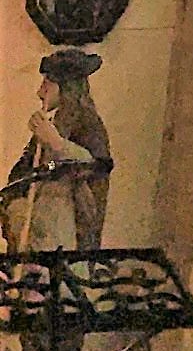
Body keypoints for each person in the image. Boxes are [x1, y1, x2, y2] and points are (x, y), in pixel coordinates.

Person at [2, 47, 113, 252]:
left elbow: (93, 171)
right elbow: (23, 174)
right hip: (38, 234)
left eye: (47, 84)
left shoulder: (89, 127)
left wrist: (56, 143)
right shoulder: (52, 125)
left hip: (65, 237)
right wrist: (15, 206)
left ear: (65, 87)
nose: (40, 92)